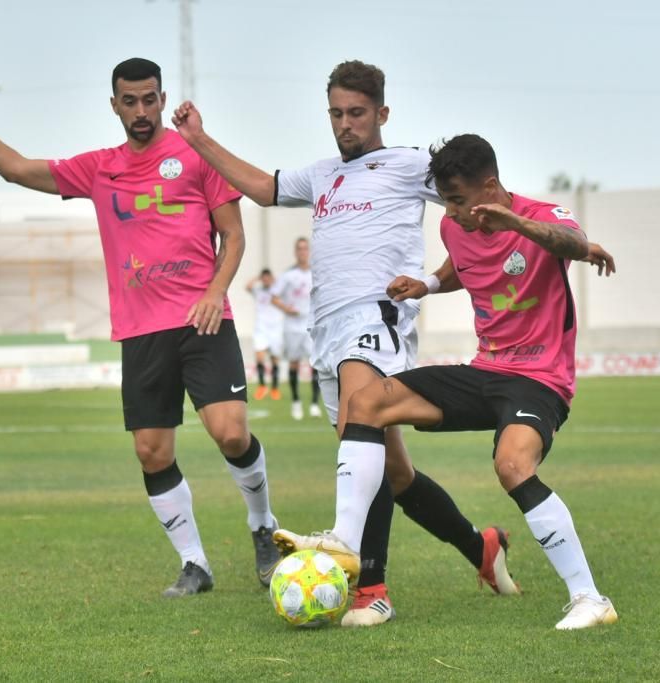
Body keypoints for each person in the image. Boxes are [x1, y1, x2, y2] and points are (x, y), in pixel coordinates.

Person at [173, 60, 518, 626]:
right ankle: (480, 546)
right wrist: (198, 139)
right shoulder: (322, 175)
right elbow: (263, 188)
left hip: (377, 316)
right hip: (326, 330)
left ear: (381, 113)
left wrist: (448, 271)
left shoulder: (408, 166)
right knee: (390, 470)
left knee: (364, 432)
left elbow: (477, 200)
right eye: (336, 113)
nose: (345, 124)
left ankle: (368, 584)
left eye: (357, 113)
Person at [0, 57, 280, 597]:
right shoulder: (99, 167)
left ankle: (263, 526)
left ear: (163, 99)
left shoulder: (196, 156)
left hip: (202, 320)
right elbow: (17, 169)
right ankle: (195, 564)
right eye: (130, 101)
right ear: (114, 105)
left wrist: (214, 292)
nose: (142, 111)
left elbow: (233, 236)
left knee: (231, 433)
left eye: (150, 99)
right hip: (140, 332)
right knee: (152, 453)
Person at [276, 133, 619, 630]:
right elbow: (463, 267)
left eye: (457, 199)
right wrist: (429, 284)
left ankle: (591, 598)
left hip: (540, 380)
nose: (450, 212)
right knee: (366, 403)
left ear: (492, 187)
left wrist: (516, 223)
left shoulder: (543, 215)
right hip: (485, 371)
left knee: (512, 465)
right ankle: (345, 541)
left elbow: (572, 243)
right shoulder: (456, 228)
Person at [270, 237, 321, 420]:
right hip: (292, 326)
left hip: (311, 325)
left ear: (309, 251)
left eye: (305, 249)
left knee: (314, 363)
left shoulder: (316, 274)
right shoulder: (288, 275)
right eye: (299, 249)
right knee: (294, 362)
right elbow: (274, 297)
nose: (302, 252)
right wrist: (286, 309)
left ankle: (315, 403)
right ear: (295, 252)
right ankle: (296, 401)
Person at [245, 268, 283, 401]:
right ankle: (262, 386)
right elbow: (248, 286)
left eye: (268, 277)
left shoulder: (277, 291)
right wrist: (258, 277)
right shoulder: (258, 290)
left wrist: (274, 280)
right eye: (264, 277)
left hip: (275, 329)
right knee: (260, 357)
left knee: (274, 359)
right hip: (261, 329)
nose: (266, 280)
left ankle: (274, 388)